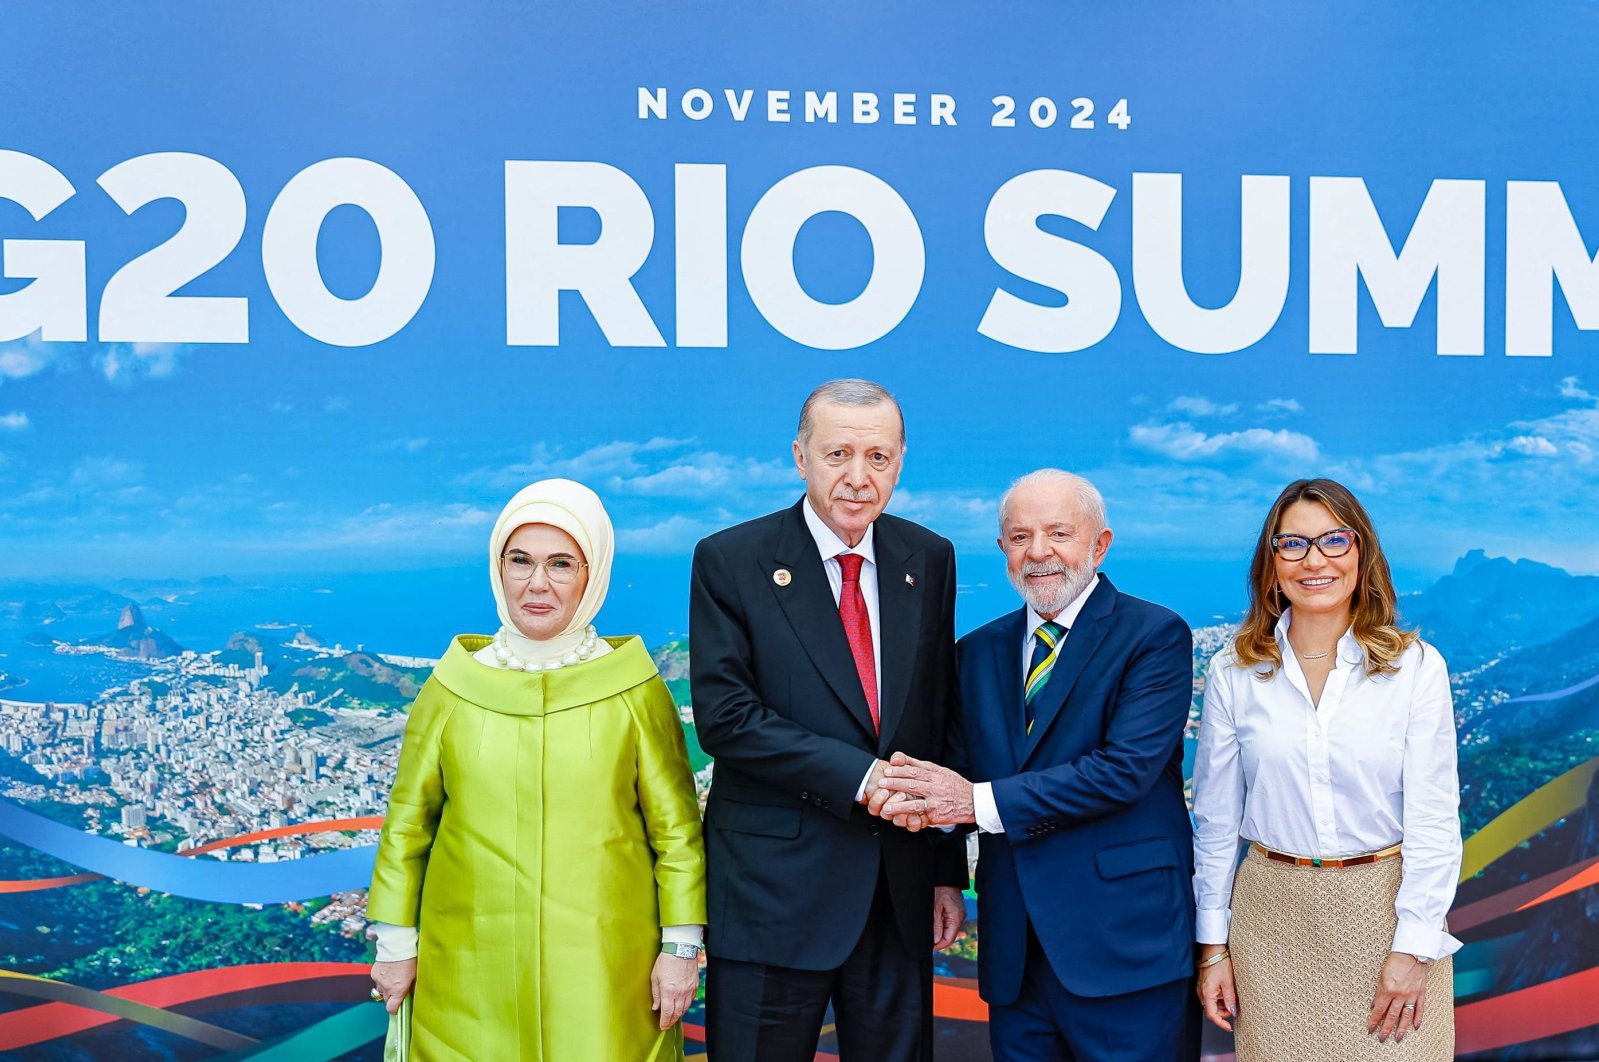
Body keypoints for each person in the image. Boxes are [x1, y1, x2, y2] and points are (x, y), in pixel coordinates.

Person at [365, 478, 707, 1060]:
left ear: (592, 574)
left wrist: (679, 950)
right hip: (467, 964)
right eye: (520, 561)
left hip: (607, 968)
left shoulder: (633, 689)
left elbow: (675, 832)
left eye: (561, 564)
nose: (538, 584)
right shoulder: (453, 687)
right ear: (497, 569)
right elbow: (408, 824)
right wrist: (396, 945)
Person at [871, 468, 1198, 1062]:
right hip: (1014, 950)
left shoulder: (1154, 636)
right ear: (1002, 551)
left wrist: (976, 803)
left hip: (1123, 946)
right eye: (1019, 537)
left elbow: (1123, 771)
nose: (1038, 552)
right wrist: (947, 873)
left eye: (1058, 534)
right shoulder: (976, 652)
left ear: (1100, 544)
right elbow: (952, 771)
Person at [688, 379, 968, 1061]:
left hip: (895, 895)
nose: (857, 477)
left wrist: (942, 870)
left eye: (877, 457)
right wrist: (864, 778)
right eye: (837, 453)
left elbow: (936, 719)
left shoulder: (926, 559)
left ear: (900, 462)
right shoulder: (731, 559)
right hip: (771, 894)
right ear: (799, 456)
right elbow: (726, 718)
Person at [1191, 477, 1461, 1059]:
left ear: (1362, 554)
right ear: (1272, 562)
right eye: (1293, 544)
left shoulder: (1415, 668)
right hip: (1270, 924)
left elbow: (1435, 822)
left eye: (1334, 541)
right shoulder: (1232, 672)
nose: (1315, 561)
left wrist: (1414, 949)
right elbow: (1214, 826)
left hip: (1387, 919)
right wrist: (1213, 948)